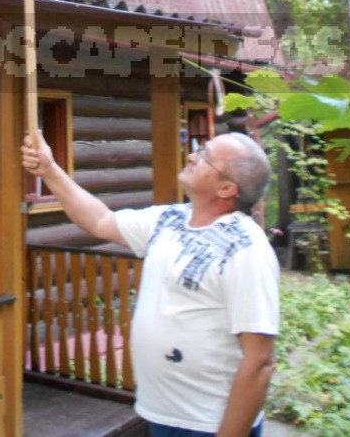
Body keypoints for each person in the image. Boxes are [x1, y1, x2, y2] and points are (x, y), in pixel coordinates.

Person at [21, 130, 279, 437]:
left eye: (206, 156)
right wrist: (50, 170)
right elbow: (100, 221)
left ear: (226, 188)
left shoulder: (246, 250)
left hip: (209, 424)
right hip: (162, 413)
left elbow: (260, 360)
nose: (193, 155)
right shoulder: (169, 220)